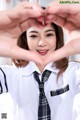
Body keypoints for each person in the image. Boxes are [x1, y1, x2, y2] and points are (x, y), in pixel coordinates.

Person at [0, 18, 80, 120]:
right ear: (25, 39)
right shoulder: (13, 73)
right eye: (33, 36)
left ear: (57, 37)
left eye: (49, 35)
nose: (42, 43)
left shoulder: (73, 71)